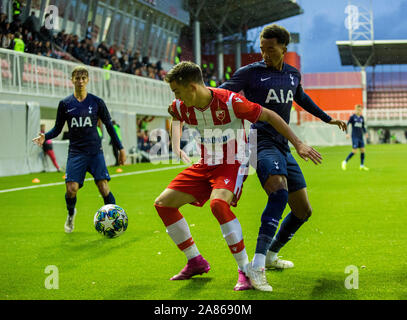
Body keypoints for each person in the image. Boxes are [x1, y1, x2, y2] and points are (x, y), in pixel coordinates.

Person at [158, 61, 322, 291]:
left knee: (218, 205)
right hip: (206, 163)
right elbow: (175, 114)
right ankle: (195, 261)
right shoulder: (179, 106)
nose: (175, 96)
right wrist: (177, 146)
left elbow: (271, 116)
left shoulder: (230, 101)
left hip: (232, 163)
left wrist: (299, 144)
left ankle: (246, 271)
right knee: (163, 204)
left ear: (192, 87)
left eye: (177, 90)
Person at [219, 24, 347, 288]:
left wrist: (328, 118)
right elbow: (220, 94)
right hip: (260, 141)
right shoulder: (250, 73)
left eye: (270, 49)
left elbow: (301, 98)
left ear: (284, 49)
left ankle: (271, 255)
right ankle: (255, 266)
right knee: (278, 193)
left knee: (303, 210)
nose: (264, 54)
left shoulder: (292, 74)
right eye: (262, 49)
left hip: (282, 144)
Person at [32, 66, 126, 233]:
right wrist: (45, 136)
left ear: (88, 80)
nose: (80, 81)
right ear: (72, 80)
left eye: (83, 78)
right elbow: (58, 129)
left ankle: (116, 220)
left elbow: (109, 126)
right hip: (76, 152)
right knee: (71, 189)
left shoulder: (97, 102)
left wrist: (121, 148)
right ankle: (70, 214)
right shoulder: (65, 104)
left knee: (103, 187)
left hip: (95, 151)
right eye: (77, 78)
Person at [341, 104, 369, 171]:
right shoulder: (352, 117)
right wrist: (347, 133)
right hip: (355, 137)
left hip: (360, 137)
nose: (359, 111)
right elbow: (346, 125)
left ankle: (362, 166)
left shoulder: (362, 117)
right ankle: (344, 162)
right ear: (355, 110)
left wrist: (365, 133)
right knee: (354, 151)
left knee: (362, 150)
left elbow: (363, 126)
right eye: (358, 110)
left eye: (360, 110)